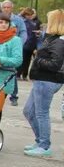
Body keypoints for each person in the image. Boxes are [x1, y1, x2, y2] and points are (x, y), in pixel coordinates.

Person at [23, 9, 64, 157]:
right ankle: (40, 140)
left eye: (49, 20)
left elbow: (55, 64)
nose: (45, 23)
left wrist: (38, 59)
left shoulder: (59, 41)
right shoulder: (51, 38)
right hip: (41, 80)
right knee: (28, 111)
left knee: (41, 113)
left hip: (47, 81)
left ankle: (44, 146)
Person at [1, 0, 27, 105]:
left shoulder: (18, 20)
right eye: (5, 7)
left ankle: (14, 96)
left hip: (13, 50)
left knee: (12, 71)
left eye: (8, 7)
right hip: (1, 48)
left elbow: (24, 32)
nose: (6, 9)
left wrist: (19, 44)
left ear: (12, 8)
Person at [19, 8, 42, 80]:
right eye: (28, 15)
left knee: (27, 61)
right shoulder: (24, 22)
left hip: (30, 44)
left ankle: (24, 75)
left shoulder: (32, 23)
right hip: (26, 44)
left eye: (31, 15)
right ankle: (19, 74)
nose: (30, 16)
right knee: (23, 60)